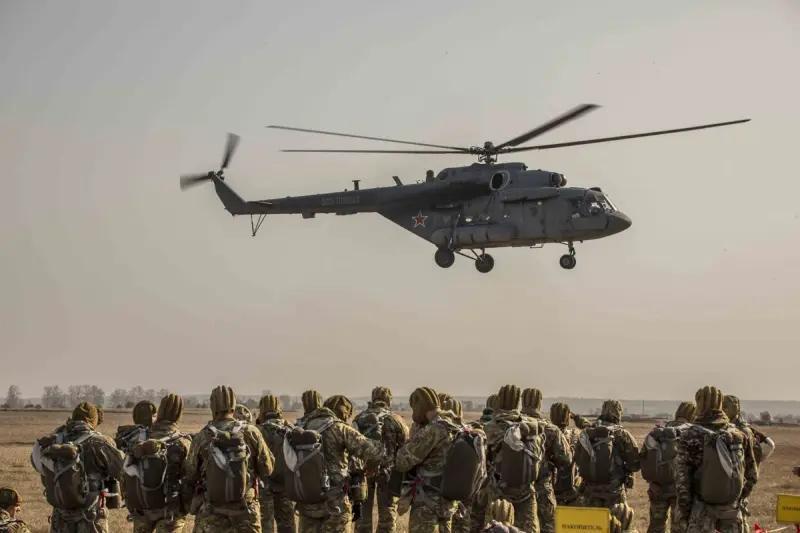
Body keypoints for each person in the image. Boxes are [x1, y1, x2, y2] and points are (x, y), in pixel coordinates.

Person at [184, 385, 274, 533]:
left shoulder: (202, 436)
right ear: (234, 405)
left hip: (211, 512)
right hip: (246, 512)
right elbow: (267, 469)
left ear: (213, 407)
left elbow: (190, 473)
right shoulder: (251, 432)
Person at [289, 394, 383, 533]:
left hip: (307, 503)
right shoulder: (340, 428)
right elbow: (374, 453)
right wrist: (371, 468)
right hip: (335, 504)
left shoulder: (302, 427)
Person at [31, 401, 125, 533]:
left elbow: (38, 465)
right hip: (90, 515)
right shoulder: (99, 442)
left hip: (60, 516)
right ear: (93, 420)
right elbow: (123, 470)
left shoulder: (55, 439)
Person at [675, 386, 758, 533]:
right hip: (732, 513)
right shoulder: (738, 435)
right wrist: (737, 498)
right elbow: (752, 474)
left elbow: (682, 481)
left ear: (699, 405)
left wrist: (686, 513)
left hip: (701, 513)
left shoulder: (690, 435)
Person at [394, 387, 467, 533]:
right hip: (448, 502)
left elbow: (402, 462)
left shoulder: (433, 430)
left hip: (427, 503)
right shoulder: (457, 426)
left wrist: (412, 438)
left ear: (420, 407)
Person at [479, 385, 543, 533]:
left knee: (495, 528)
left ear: (499, 401)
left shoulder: (489, 428)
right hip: (526, 491)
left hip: (498, 491)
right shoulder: (531, 427)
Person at [125, 394, 193, 533]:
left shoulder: (138, 439)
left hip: (142, 509)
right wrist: (186, 506)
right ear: (178, 415)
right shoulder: (183, 442)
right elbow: (191, 475)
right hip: (170, 511)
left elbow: (125, 471)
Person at [352, 386, 409, 533]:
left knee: (362, 514)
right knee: (387, 515)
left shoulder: (360, 418)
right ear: (389, 400)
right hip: (388, 473)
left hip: (364, 471)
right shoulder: (396, 420)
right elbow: (405, 446)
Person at [639, 401, 696, 533]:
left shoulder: (659, 432)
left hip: (657, 489)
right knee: (679, 528)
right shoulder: (692, 432)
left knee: (656, 526)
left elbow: (643, 456)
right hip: (680, 491)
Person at [521, 388, 572, 533]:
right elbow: (566, 459)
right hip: (542, 489)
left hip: (512, 490)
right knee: (548, 527)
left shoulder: (510, 426)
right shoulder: (550, 429)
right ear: (539, 403)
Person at [573, 400, 640, 509]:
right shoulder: (621, 434)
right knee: (617, 519)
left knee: (592, 519)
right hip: (614, 491)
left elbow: (577, 459)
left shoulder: (588, 432)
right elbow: (635, 464)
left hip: (590, 490)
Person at [256, 395, 296, 533]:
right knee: (287, 525)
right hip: (285, 486)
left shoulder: (256, 431)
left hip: (263, 487)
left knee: (265, 525)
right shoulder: (290, 429)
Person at [548, 402, 583, 506]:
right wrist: (577, 418)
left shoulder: (546, 435)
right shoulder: (575, 435)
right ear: (568, 417)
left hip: (551, 490)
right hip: (572, 490)